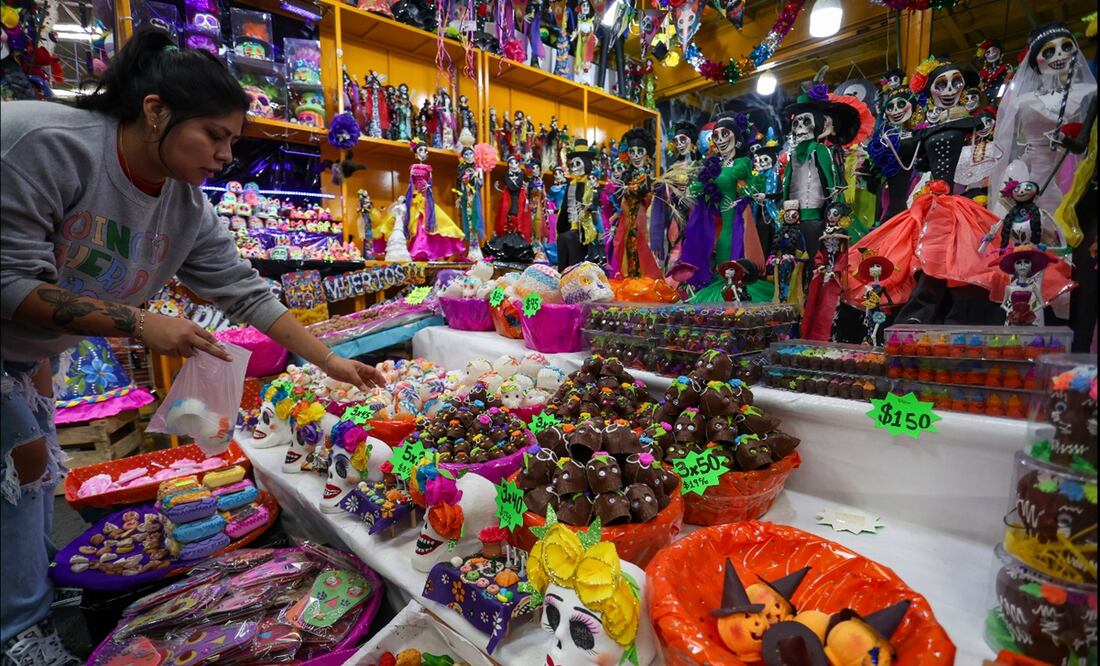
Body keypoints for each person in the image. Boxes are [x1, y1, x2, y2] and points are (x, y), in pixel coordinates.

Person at [0, 28, 383, 664]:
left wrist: (332, 361)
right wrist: (139, 323)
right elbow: (9, 283)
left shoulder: (185, 207)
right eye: (215, 135)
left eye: (233, 140)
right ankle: (21, 637)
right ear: (155, 112)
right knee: (21, 474)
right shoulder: (48, 146)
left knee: (32, 484)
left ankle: (35, 601)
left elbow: (247, 293)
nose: (227, 154)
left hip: (32, 351)